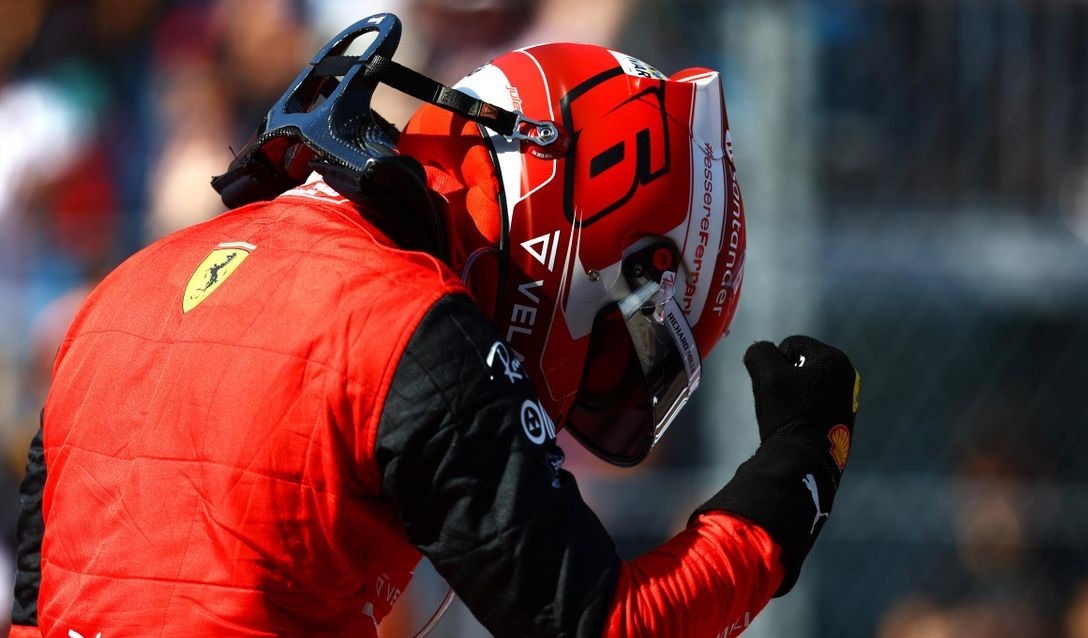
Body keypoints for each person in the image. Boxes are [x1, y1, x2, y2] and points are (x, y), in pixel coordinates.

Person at [11, 14, 860, 638]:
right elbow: (606, 629)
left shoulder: (121, 291)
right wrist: (793, 475)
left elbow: (37, 613)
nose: (596, 386)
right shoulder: (407, 324)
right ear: (591, 214)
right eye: (631, 337)